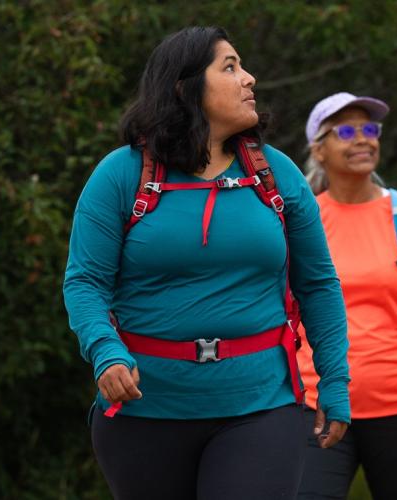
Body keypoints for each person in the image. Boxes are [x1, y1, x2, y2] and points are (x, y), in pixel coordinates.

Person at [62, 27, 352, 499]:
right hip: (145, 411)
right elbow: (84, 281)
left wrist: (335, 381)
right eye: (231, 67)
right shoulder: (119, 175)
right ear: (185, 88)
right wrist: (104, 351)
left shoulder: (276, 175)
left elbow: (318, 285)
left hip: (262, 405)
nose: (250, 79)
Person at [294, 92, 397, 499]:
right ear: (319, 149)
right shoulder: (302, 223)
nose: (363, 139)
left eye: (370, 129)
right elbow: (285, 317)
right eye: (346, 131)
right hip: (318, 408)